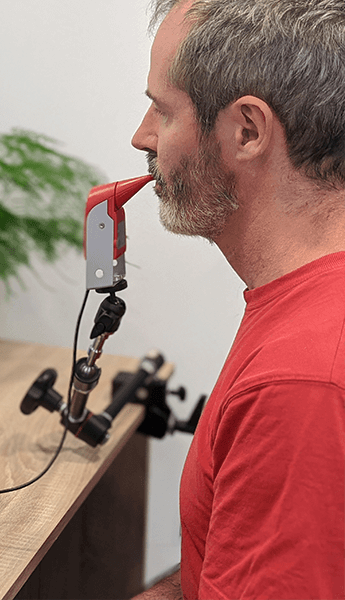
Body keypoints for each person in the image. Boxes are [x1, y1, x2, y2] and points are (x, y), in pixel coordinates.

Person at [130, 1, 345, 598]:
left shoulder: (300, 384)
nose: (141, 136)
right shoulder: (304, 306)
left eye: (164, 109)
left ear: (247, 131)